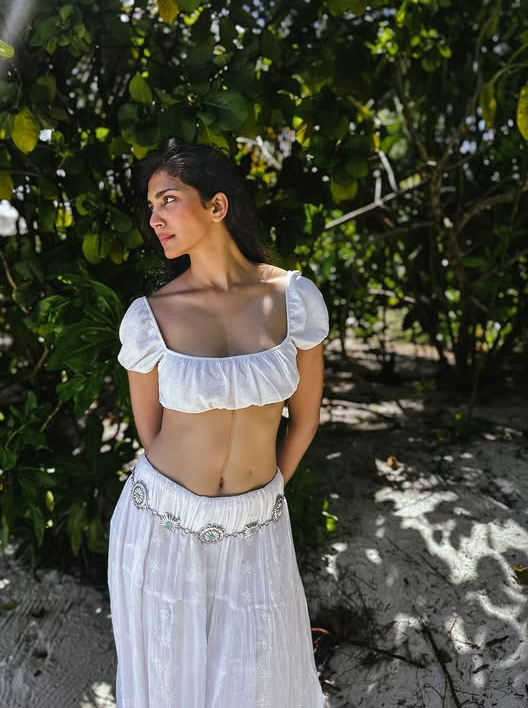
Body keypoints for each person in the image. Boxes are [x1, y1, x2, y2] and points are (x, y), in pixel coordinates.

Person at [108, 136, 329, 708]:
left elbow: (305, 420)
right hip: (161, 525)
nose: (154, 219)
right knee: (170, 688)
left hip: (258, 526)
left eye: (168, 199)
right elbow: (151, 434)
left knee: (257, 686)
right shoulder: (150, 317)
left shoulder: (294, 299)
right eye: (150, 206)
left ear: (217, 205)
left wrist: (262, 499)